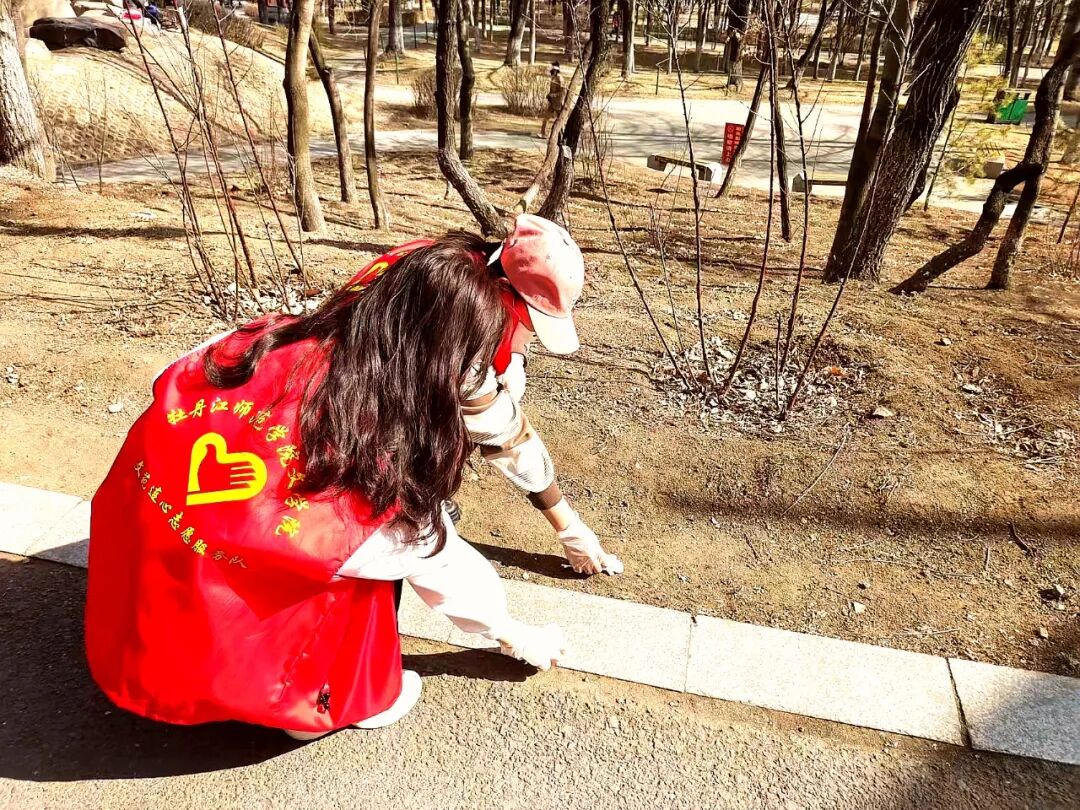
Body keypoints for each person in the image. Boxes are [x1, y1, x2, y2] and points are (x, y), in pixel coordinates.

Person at [85, 215, 622, 741]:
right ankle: (321, 700)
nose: (526, 345)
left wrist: (568, 526)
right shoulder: (376, 439)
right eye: (529, 328)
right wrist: (514, 634)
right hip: (221, 644)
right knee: (376, 555)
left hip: (136, 595)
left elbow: (503, 429)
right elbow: (436, 555)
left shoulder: (295, 334)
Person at [539, 62, 565, 138]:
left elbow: (563, 92)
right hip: (552, 103)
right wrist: (549, 95)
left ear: (555, 70)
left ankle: (563, 135)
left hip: (558, 103)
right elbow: (553, 90)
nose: (551, 71)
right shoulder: (553, 78)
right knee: (546, 118)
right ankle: (543, 133)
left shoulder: (560, 79)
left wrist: (554, 95)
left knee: (560, 120)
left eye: (552, 70)